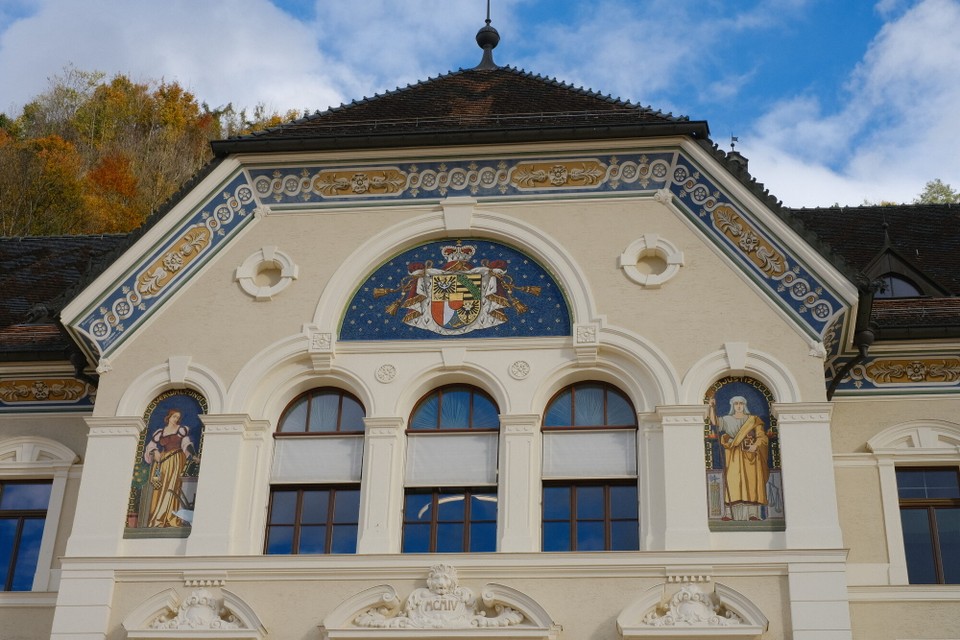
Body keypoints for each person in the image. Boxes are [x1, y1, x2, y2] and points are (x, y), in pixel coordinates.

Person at [707, 395, 769, 521]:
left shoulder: (753, 420)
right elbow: (715, 422)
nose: (739, 406)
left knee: (751, 483)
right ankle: (730, 514)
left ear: (744, 405)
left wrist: (755, 445)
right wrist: (711, 406)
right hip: (734, 454)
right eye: (736, 404)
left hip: (750, 457)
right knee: (733, 481)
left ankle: (753, 514)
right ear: (732, 406)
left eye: (741, 403)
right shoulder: (727, 419)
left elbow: (762, 437)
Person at [143, 408, 196, 527]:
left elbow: (186, 443)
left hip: (176, 459)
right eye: (174, 417)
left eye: (177, 417)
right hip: (162, 461)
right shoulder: (160, 432)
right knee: (160, 487)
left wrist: (193, 455)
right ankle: (158, 518)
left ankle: (171, 517)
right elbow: (151, 445)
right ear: (168, 417)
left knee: (173, 486)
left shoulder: (181, 430)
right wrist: (155, 450)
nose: (176, 419)